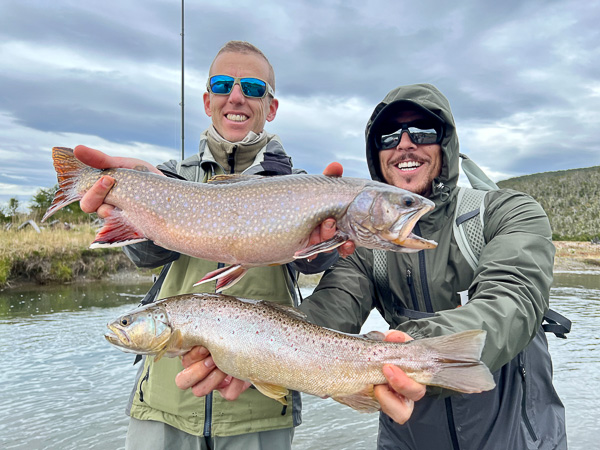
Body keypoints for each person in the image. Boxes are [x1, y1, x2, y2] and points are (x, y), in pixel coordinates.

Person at [77, 40, 350, 450]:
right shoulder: (168, 178)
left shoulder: (302, 186)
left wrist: (329, 241)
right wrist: (136, 202)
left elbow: (316, 266)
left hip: (259, 405)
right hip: (165, 400)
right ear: (207, 101)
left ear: (271, 107)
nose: (236, 97)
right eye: (223, 85)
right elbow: (144, 257)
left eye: (253, 88)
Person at [298, 83, 568, 449]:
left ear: (447, 144)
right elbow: (326, 314)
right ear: (376, 155)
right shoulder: (365, 247)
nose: (404, 144)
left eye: (423, 132)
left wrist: (413, 353)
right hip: (407, 433)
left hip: (516, 436)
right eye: (389, 136)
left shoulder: (509, 212)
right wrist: (244, 345)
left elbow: (512, 303)